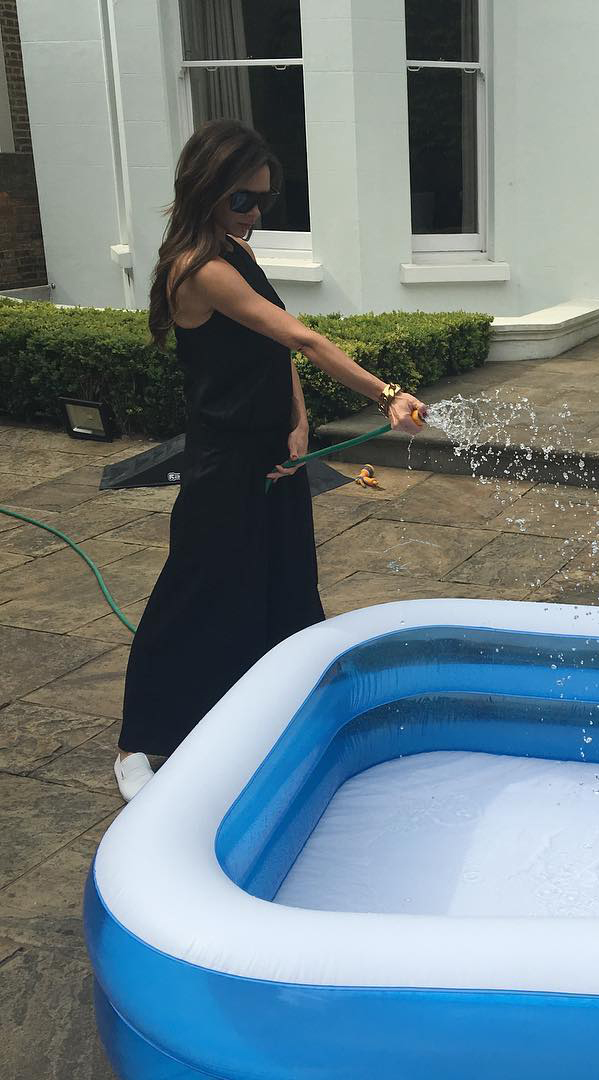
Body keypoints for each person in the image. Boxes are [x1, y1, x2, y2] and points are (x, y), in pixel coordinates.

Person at [114, 120, 425, 801]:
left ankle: (269, 716)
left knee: (282, 586)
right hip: (224, 461)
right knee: (195, 595)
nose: (255, 214)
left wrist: (300, 422)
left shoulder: (234, 250)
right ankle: (140, 741)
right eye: (242, 200)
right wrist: (388, 392)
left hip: (272, 456)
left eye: (264, 200)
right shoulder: (200, 270)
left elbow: (271, 349)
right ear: (205, 192)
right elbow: (301, 337)